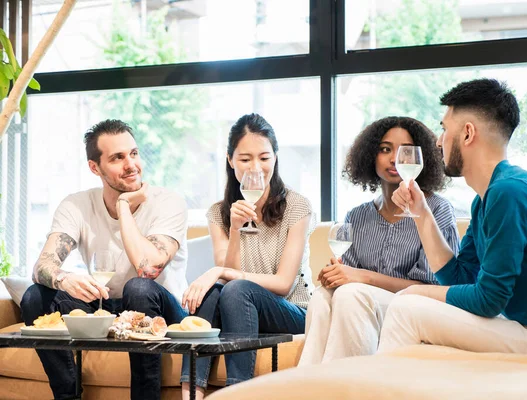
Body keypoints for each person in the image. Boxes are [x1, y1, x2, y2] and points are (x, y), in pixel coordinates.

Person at [378, 78, 527, 355]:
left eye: (444, 129)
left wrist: (417, 292)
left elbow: (489, 299)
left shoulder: (509, 192)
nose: (438, 141)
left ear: (468, 134)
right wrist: (422, 214)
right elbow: (459, 278)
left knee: (406, 308)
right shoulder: (487, 198)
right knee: (409, 306)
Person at [20, 119, 188, 400]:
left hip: (161, 309)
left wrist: (123, 207)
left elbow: (148, 269)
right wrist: (65, 279)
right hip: (107, 307)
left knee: (138, 287)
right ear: (94, 167)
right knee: (35, 297)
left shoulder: (167, 202)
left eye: (133, 153)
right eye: (117, 158)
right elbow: (42, 266)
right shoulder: (77, 204)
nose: (131, 164)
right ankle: (68, 395)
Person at [298, 116, 459, 365]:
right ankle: (307, 385)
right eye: (385, 149)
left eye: (405, 151)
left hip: (413, 310)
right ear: (370, 155)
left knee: (351, 294)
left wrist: (361, 277)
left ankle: (351, 386)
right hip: (360, 308)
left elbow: (432, 288)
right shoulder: (357, 215)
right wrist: (335, 275)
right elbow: (348, 276)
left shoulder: (436, 210)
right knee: (322, 297)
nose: (394, 158)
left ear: (421, 158)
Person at [180, 113, 315, 399]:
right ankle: (191, 393)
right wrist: (235, 230)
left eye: (264, 158)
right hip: (240, 307)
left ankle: (236, 392)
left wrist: (218, 272)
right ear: (230, 160)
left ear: (276, 158)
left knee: (232, 287)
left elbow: (283, 284)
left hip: (293, 311)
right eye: (245, 159)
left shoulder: (297, 206)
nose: (256, 167)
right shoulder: (219, 212)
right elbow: (229, 274)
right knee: (217, 292)